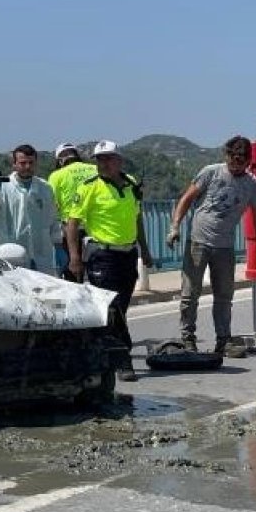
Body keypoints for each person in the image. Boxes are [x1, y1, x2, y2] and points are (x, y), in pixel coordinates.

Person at [167, 135, 256, 355]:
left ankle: (223, 340)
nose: (237, 163)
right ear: (227, 156)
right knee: (189, 294)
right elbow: (186, 199)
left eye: (242, 159)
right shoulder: (210, 172)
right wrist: (175, 227)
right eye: (234, 158)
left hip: (225, 246)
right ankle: (188, 339)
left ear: (249, 160)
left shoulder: (252, 184)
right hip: (198, 241)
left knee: (224, 297)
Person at [66, 140, 153, 382]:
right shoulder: (89, 187)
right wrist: (74, 258)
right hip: (102, 255)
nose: (103, 163)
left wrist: (144, 250)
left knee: (121, 308)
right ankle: (123, 359)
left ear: (119, 160)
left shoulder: (131, 184)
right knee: (111, 309)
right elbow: (72, 224)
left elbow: (138, 219)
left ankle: (103, 353)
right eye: (99, 159)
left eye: (108, 158)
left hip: (127, 254)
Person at [0, 144, 61, 275]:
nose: (27, 166)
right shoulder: (2, 186)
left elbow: (53, 220)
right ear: (14, 164)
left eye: (31, 163)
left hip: (41, 258)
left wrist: (59, 246)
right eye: (22, 163)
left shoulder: (45, 188)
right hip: (8, 256)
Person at [48, 142, 98, 278]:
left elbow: (52, 203)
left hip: (70, 230)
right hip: (97, 228)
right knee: (98, 273)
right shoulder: (95, 169)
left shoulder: (56, 175)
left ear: (59, 159)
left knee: (73, 273)